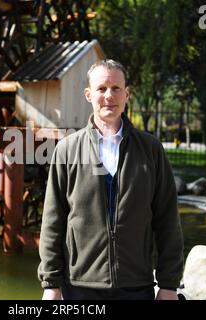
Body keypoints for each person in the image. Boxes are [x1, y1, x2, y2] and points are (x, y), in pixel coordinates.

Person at [37, 59, 184, 300]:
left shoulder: (151, 150)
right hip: (79, 287)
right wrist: (51, 284)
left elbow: (167, 220)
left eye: (116, 88)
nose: (109, 95)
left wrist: (169, 285)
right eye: (101, 88)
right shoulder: (66, 150)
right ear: (88, 94)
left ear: (126, 94)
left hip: (136, 286)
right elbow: (53, 221)